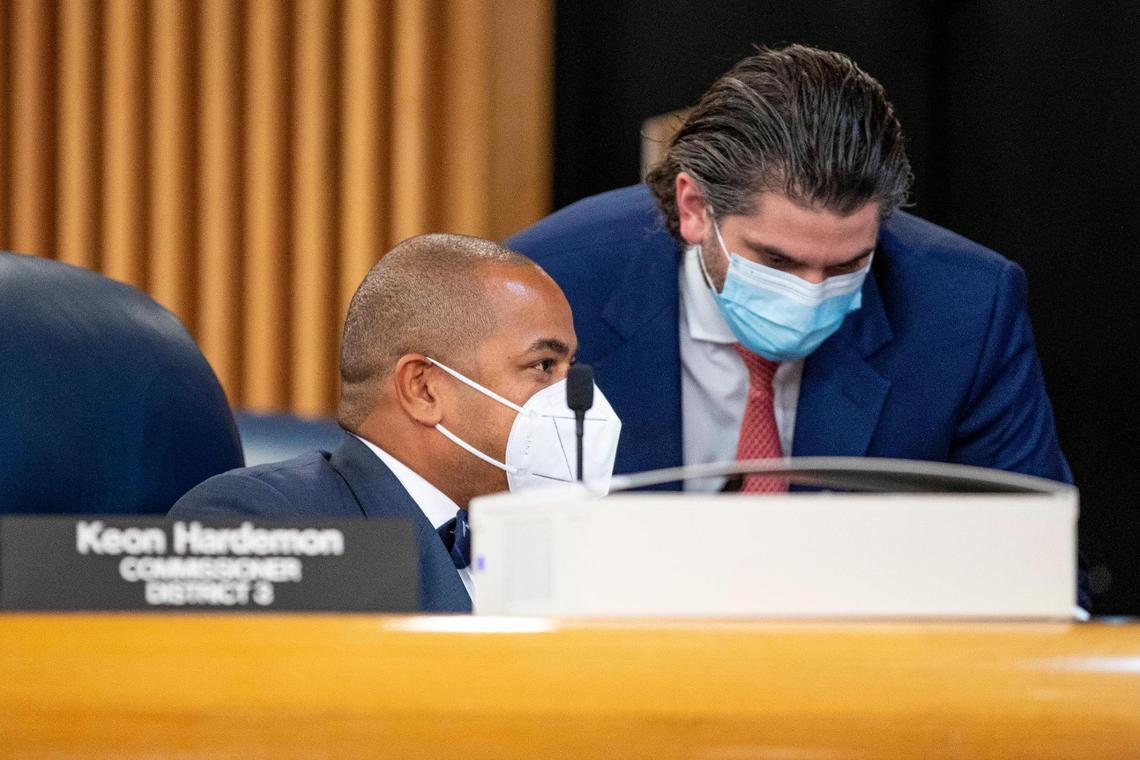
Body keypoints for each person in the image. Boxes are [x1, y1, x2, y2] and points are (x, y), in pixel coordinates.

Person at [507, 44, 1071, 492]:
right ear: (695, 208)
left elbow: (1037, 564)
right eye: (777, 261)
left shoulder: (967, 306)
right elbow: (467, 542)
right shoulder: (548, 285)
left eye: (850, 263)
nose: (811, 294)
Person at [170, 234, 621, 612]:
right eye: (544, 365)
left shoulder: (551, 543)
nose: (576, 398)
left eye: (571, 367)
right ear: (423, 389)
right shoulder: (264, 522)